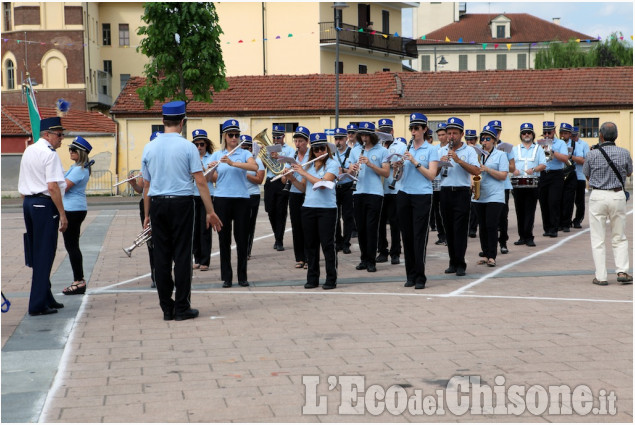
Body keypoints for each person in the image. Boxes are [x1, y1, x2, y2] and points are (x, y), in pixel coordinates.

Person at [141, 101, 221, 321]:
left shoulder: (149, 147)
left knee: (162, 257)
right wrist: (210, 211)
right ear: (182, 122)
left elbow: (146, 185)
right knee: (183, 256)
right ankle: (182, 308)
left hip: (157, 203)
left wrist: (147, 215)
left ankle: (167, 308)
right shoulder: (188, 147)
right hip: (182, 203)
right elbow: (200, 181)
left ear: (163, 121)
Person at [18, 116, 68, 316]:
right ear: (47, 134)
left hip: (29, 202)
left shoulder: (29, 150)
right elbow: (52, 186)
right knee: (44, 254)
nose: (61, 138)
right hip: (44, 204)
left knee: (38, 251)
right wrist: (62, 214)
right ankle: (37, 303)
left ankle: (46, 296)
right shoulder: (49, 154)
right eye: (58, 134)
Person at [209, 119, 258, 288]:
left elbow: (255, 167)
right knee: (224, 239)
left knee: (242, 238)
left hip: (242, 199)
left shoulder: (244, 153)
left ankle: (242, 276)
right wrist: (209, 168)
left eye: (237, 135)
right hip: (222, 199)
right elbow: (208, 179)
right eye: (231, 135)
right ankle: (227, 277)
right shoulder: (217, 154)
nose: (234, 138)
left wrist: (232, 163)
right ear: (225, 136)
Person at [582, 122, 633, 286]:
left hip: (598, 194)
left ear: (601, 136)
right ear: (616, 136)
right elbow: (629, 172)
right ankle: (622, 271)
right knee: (619, 236)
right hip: (617, 194)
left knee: (598, 238)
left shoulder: (592, 154)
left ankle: (601, 276)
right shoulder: (624, 152)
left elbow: (587, 174)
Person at [290, 133, 340, 290]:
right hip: (308, 208)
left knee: (327, 245)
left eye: (322, 148)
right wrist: (291, 178)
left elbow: (324, 183)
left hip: (327, 209)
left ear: (326, 148)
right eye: (316, 148)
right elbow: (303, 187)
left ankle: (331, 278)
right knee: (310, 245)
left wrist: (303, 172)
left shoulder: (332, 163)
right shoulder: (309, 164)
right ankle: (312, 278)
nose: (319, 152)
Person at [396, 113, 439, 289]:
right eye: (411, 129)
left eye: (416, 129)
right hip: (404, 193)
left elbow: (431, 175)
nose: (413, 132)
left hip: (422, 195)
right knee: (406, 236)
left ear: (424, 129)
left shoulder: (431, 149)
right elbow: (397, 177)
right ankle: (410, 275)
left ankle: (420, 277)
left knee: (419, 236)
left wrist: (414, 162)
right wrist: (396, 168)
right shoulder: (405, 148)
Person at [438, 117, 480, 276]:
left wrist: (458, 160)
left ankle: (460, 263)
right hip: (445, 191)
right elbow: (434, 174)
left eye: (455, 133)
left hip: (462, 192)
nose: (451, 136)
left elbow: (476, 171)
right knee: (448, 229)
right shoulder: (440, 150)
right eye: (449, 133)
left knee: (460, 229)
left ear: (461, 134)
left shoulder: (469, 150)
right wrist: (440, 164)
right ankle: (452, 262)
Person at [348, 122, 390, 273]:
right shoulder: (355, 150)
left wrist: (370, 164)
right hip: (358, 191)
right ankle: (364, 259)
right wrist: (351, 169)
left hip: (375, 193)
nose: (364, 138)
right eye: (362, 135)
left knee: (371, 228)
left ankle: (371, 261)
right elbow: (349, 171)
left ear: (372, 136)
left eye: (367, 135)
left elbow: (386, 173)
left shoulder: (382, 151)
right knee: (361, 228)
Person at [127, 131, 161, 289]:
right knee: (151, 240)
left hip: (163, 201)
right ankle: (155, 274)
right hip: (149, 202)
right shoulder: (147, 160)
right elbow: (142, 188)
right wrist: (134, 184)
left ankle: (165, 273)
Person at [473, 125, 509, 267]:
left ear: (494, 140)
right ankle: (486, 253)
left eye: (488, 139)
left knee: (491, 225)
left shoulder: (500, 155)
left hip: (495, 195)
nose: (485, 141)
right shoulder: (477, 155)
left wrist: (487, 169)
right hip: (480, 194)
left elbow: (503, 175)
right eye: (483, 139)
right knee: (482, 226)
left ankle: (492, 256)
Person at [61, 136, 93, 295]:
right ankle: (78, 279)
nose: (70, 152)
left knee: (72, 246)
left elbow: (63, 188)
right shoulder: (76, 167)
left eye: (74, 150)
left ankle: (79, 281)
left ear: (81, 153)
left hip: (73, 210)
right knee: (72, 245)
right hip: (74, 208)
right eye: (70, 149)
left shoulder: (80, 170)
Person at [511, 123, 546, 247]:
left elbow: (543, 164)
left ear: (532, 135)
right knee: (519, 211)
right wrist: (513, 170)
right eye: (524, 133)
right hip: (518, 183)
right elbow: (509, 164)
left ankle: (529, 237)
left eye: (529, 133)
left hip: (533, 184)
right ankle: (522, 237)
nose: (526, 135)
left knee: (530, 211)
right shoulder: (515, 149)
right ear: (521, 135)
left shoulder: (538, 149)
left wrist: (534, 169)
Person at [264, 124, 294, 251]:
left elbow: (292, 162)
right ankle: (277, 236)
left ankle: (279, 240)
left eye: (278, 137)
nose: (276, 140)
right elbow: (263, 166)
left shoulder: (290, 149)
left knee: (281, 212)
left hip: (282, 181)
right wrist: (263, 155)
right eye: (274, 137)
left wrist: (279, 157)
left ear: (283, 137)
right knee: (270, 210)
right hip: (270, 180)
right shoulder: (268, 149)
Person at [284, 126, 310, 269]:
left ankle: (309, 257)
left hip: (307, 194)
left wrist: (293, 178)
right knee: (296, 226)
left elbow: (305, 184)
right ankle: (300, 258)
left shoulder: (311, 156)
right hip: (294, 194)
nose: (298, 144)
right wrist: (286, 174)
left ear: (307, 141)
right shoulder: (292, 157)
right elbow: (283, 181)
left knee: (307, 227)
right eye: (296, 141)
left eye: (301, 141)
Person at [538, 121, 570, 238]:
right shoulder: (539, 143)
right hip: (543, 174)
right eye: (544, 133)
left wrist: (552, 151)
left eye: (549, 132)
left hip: (556, 174)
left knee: (554, 202)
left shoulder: (560, 143)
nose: (546, 135)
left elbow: (565, 158)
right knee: (544, 202)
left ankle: (554, 228)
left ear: (554, 132)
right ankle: (546, 228)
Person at [378, 134, 406, 265]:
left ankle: (395, 252)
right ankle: (382, 251)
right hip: (379, 189)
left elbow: (405, 163)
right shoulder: (377, 146)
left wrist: (398, 164)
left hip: (395, 189)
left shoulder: (401, 146)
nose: (384, 134)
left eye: (387, 131)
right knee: (380, 222)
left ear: (392, 132)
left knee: (395, 223)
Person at [488, 120, 515, 254]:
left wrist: (501, 162)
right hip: (487, 185)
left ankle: (503, 242)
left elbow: (512, 167)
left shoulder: (506, 147)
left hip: (502, 185)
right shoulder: (483, 146)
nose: (496, 133)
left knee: (502, 216)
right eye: (494, 130)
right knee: (487, 218)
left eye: (498, 131)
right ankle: (488, 246)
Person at [191, 129, 215, 272]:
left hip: (207, 195)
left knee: (205, 228)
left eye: (201, 144)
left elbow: (208, 179)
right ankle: (197, 258)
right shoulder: (189, 157)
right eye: (196, 145)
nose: (199, 147)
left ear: (206, 145)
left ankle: (205, 260)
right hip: (192, 195)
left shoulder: (212, 158)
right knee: (194, 229)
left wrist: (206, 169)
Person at [242, 135, 265, 260]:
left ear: (251, 148)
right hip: (239, 195)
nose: (245, 150)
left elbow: (260, 180)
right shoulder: (237, 160)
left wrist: (245, 174)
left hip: (252, 195)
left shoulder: (258, 161)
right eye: (242, 147)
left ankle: (246, 251)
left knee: (250, 225)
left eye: (247, 147)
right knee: (240, 225)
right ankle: (241, 248)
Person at [334, 127, 354, 254]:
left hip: (347, 186)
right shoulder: (332, 153)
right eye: (336, 139)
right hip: (335, 186)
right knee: (335, 216)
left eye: (340, 139)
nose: (338, 142)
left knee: (347, 216)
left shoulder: (352, 152)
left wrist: (344, 171)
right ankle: (338, 241)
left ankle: (346, 243)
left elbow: (353, 170)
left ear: (346, 139)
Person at [558, 123, 577, 233]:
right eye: (562, 133)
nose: (563, 135)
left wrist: (570, 157)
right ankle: (559, 222)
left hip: (570, 174)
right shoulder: (557, 144)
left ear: (570, 134)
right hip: (559, 173)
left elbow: (582, 159)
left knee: (568, 200)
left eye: (565, 133)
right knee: (558, 199)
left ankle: (566, 223)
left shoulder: (575, 144)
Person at [432, 123, 448, 245]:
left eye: (443, 134)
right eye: (439, 135)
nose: (441, 137)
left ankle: (448, 235)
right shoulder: (435, 149)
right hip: (435, 181)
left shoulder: (451, 148)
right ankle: (441, 235)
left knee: (445, 210)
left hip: (446, 182)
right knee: (437, 210)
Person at [571, 127, 590, 229]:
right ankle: (566, 220)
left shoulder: (583, 144)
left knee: (579, 201)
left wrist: (571, 157)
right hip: (567, 176)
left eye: (574, 135)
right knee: (567, 200)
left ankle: (578, 220)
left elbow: (585, 160)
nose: (573, 137)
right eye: (571, 136)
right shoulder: (566, 143)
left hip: (579, 175)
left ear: (578, 135)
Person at [464, 129, 480, 238]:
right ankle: (466, 227)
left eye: (472, 139)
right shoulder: (463, 150)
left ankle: (473, 229)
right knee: (466, 206)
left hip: (477, 178)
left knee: (475, 206)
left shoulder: (480, 150)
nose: (470, 141)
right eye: (468, 139)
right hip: (465, 179)